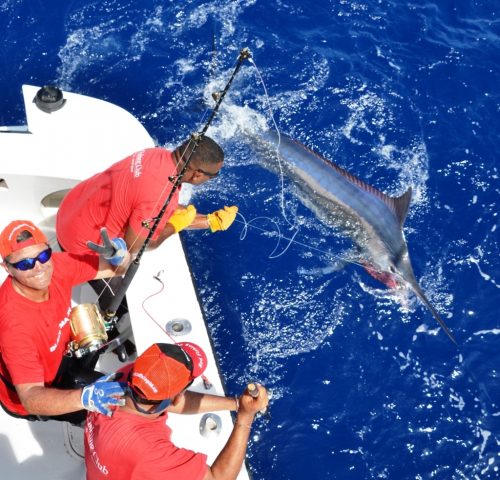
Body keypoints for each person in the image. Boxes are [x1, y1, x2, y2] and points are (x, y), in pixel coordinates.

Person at [0, 220, 129, 424]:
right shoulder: (13, 325)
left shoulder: (57, 265)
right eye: (25, 264)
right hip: (38, 392)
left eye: (43, 255)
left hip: (61, 354)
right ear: (7, 268)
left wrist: (119, 257)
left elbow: (117, 269)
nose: (39, 267)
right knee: (103, 416)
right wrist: (85, 398)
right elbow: (30, 398)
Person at [85, 342, 269, 480]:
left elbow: (172, 400)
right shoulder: (151, 455)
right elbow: (217, 478)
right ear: (176, 396)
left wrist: (236, 404)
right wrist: (245, 417)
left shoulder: (126, 376)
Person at [56, 135, 239, 256]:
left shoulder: (156, 154)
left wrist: (209, 221)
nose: (213, 179)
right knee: (120, 301)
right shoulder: (159, 197)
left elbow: (150, 204)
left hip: (69, 209)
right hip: (78, 245)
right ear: (197, 174)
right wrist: (175, 226)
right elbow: (136, 246)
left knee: (178, 210)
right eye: (214, 175)